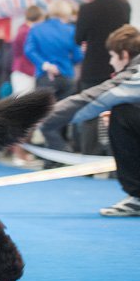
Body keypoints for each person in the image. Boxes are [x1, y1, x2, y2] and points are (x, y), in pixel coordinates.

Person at [41, 25, 140, 216]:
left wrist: (37, 118)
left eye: (112, 56)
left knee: (122, 114)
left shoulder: (135, 72)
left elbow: (92, 99)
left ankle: (138, 196)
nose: (111, 62)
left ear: (124, 55)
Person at [75, 0, 131, 155]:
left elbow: (78, 38)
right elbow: (126, 34)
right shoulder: (123, 6)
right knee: (118, 115)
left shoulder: (86, 9)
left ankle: (89, 159)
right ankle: (116, 158)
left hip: (93, 67)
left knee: (89, 115)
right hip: (118, 66)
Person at [24, 0, 82, 101]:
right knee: (66, 108)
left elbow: (29, 50)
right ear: (66, 12)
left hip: (44, 76)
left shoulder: (36, 29)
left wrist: (45, 65)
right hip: (66, 75)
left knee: (44, 109)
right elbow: (78, 56)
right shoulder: (71, 30)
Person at [10, 5, 44, 95]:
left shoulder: (23, 30)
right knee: (24, 100)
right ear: (40, 18)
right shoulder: (27, 32)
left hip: (23, 70)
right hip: (24, 71)